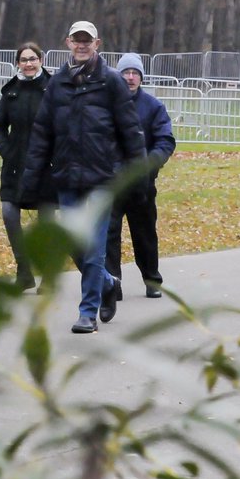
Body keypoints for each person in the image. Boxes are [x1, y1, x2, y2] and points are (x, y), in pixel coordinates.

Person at [22, 20, 145, 334]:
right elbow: (42, 134)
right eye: (76, 40)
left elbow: (131, 132)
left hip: (102, 179)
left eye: (86, 41)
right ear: (67, 43)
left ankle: (87, 312)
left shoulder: (112, 82)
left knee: (94, 247)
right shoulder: (58, 83)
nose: (81, 45)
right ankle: (106, 282)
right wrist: (31, 179)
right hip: (67, 178)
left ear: (97, 44)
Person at [106, 53, 176, 301]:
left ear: (141, 77)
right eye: (126, 72)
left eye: (135, 73)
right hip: (112, 182)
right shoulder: (108, 105)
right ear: (119, 75)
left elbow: (165, 141)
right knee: (109, 236)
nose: (130, 77)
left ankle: (152, 279)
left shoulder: (153, 107)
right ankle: (113, 284)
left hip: (142, 185)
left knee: (145, 234)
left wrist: (146, 165)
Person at [0, 42, 57, 290]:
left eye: (33, 59)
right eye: (24, 60)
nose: (28, 64)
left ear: (41, 60)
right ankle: (24, 271)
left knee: (46, 221)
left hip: (46, 166)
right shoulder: (11, 91)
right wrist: (7, 151)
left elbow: (62, 125)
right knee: (9, 213)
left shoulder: (53, 89)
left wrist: (55, 155)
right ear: (18, 63)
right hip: (15, 166)